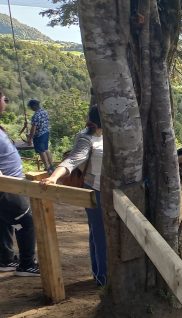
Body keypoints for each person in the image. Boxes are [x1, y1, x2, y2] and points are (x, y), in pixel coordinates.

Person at [41, 106, 106, 286]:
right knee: (100, 234)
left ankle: (99, 274)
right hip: (95, 190)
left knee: (97, 232)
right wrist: (53, 177)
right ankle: (103, 278)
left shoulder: (112, 134)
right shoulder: (86, 138)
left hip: (108, 190)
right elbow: (73, 159)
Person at [0, 90, 40, 277]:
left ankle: (6, 260)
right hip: (8, 187)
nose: (6, 102)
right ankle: (27, 264)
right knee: (26, 222)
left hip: (8, 185)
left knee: (4, 222)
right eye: (4, 99)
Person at [26, 99, 53, 172]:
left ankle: (47, 168)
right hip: (46, 133)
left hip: (39, 135)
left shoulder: (36, 115)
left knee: (41, 151)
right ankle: (51, 166)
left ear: (34, 106)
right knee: (46, 149)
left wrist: (30, 139)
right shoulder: (44, 112)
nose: (31, 108)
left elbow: (33, 129)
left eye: (31, 107)